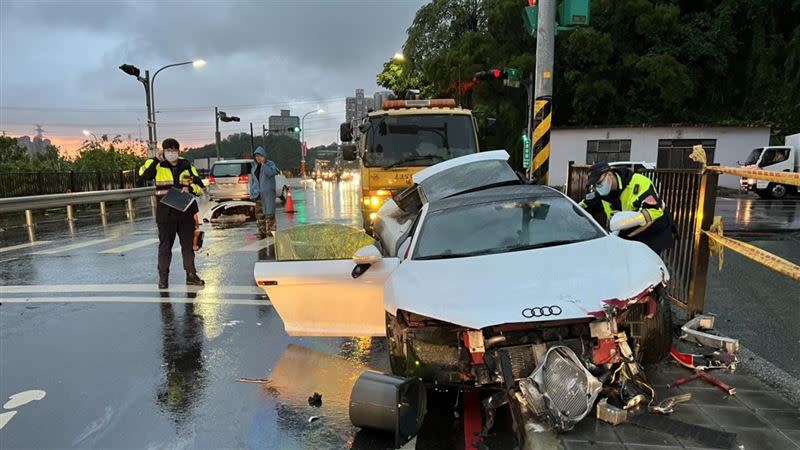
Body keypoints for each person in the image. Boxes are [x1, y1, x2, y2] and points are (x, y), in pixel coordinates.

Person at [139, 138, 205, 289]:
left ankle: (191, 274)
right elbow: (143, 176)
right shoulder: (155, 163)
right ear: (163, 151)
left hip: (185, 212)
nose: (171, 153)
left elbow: (200, 186)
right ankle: (163, 278)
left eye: (174, 150)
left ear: (178, 151)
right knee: (165, 247)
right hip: (165, 213)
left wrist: (190, 188)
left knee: (188, 246)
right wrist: (156, 160)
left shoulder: (186, 164)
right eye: (168, 150)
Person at [580, 161, 675, 254]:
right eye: (595, 185)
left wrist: (625, 220)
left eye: (599, 183)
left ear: (609, 175)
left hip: (653, 230)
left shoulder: (638, 183)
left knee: (644, 262)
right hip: (627, 232)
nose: (597, 187)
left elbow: (654, 211)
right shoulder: (601, 193)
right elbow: (582, 206)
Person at [248, 146, 280, 239]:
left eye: (260, 155)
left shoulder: (270, 164)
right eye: (256, 156)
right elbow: (253, 181)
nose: (258, 158)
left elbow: (271, 173)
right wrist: (252, 192)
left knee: (270, 213)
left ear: (264, 156)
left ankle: (271, 231)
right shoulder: (254, 167)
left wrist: (263, 164)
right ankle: (261, 231)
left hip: (268, 194)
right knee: (259, 214)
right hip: (258, 194)